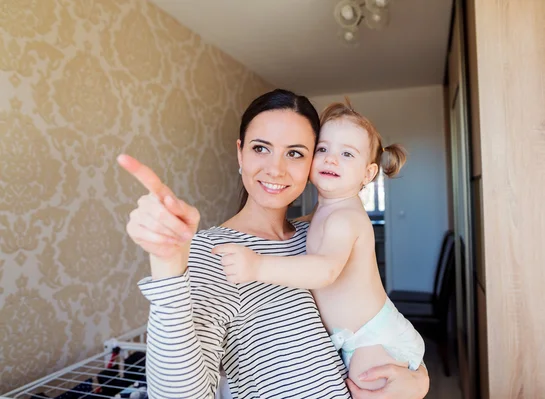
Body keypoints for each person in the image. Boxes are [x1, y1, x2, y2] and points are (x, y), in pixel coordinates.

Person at [119, 89, 429, 399]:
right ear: (240, 153)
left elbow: (376, 331)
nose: (276, 169)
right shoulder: (213, 253)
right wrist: (167, 265)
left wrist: (418, 381)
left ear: (310, 163)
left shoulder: (314, 235)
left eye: (295, 152)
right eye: (260, 148)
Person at [211, 99, 425, 391]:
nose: (331, 159)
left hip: (371, 337)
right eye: (323, 149)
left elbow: (324, 270)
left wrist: (257, 265)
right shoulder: (323, 213)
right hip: (359, 336)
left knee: (367, 391)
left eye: (347, 154)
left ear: (368, 174)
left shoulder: (345, 218)